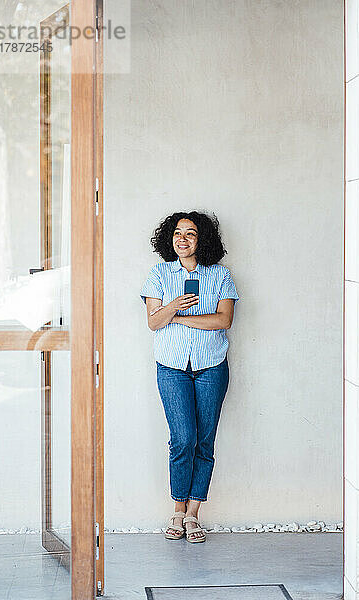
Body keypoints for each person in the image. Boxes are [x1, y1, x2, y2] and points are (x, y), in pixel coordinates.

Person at [140, 211, 239, 543]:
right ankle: (177, 510)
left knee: (204, 441)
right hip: (171, 368)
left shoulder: (221, 276)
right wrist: (175, 306)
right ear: (169, 238)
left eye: (191, 234)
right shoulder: (158, 274)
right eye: (177, 233)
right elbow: (153, 323)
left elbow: (223, 320)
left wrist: (178, 318)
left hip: (211, 367)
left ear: (202, 240)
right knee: (183, 439)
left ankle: (194, 514)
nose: (182, 239)